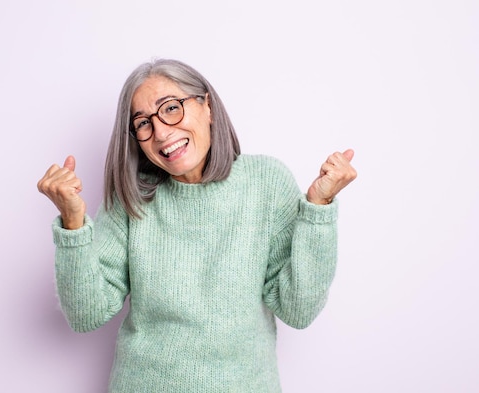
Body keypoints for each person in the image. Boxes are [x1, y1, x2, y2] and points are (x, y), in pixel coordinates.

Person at [37, 58, 357, 392]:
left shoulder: (266, 183)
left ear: (208, 107)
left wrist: (318, 209)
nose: (161, 132)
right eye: (143, 123)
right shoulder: (132, 199)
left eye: (171, 108)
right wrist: (73, 225)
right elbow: (87, 315)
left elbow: (298, 310)